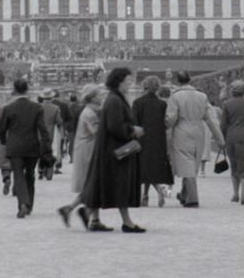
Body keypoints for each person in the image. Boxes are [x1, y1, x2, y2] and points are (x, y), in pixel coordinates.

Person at [82, 67, 145, 232]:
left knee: (105, 183)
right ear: (119, 81)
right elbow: (115, 126)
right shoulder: (115, 100)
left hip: (112, 149)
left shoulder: (114, 98)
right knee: (121, 185)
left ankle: (93, 217)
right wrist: (133, 130)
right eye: (128, 81)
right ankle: (127, 222)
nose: (130, 84)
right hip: (117, 151)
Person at [0, 78, 50, 218]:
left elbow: (1, 129)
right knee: (30, 175)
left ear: (14, 90)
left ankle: (22, 204)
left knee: (18, 175)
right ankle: (29, 204)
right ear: (27, 89)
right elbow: (43, 130)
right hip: (32, 146)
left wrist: (3, 140)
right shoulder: (37, 107)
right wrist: (47, 146)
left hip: (15, 147)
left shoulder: (8, 108)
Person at [167, 70, 221, 208]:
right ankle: (184, 195)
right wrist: (219, 138)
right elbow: (211, 119)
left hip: (181, 130)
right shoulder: (202, 96)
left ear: (178, 81)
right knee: (193, 163)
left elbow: (171, 119)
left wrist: (165, 127)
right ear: (190, 80)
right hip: (198, 129)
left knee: (186, 163)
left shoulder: (175, 96)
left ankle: (193, 198)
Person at [58, 85, 104, 227]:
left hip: (87, 149)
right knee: (92, 184)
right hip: (88, 151)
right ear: (92, 97)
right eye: (99, 95)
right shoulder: (90, 113)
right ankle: (73, 209)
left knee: (93, 184)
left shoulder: (90, 111)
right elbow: (95, 131)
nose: (102, 97)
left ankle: (93, 218)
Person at [134, 75, 172, 206]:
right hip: (158, 140)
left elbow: (135, 123)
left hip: (142, 139)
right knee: (152, 169)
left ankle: (148, 195)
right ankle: (145, 196)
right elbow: (165, 123)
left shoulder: (138, 103)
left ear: (144, 86)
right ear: (157, 88)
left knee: (143, 170)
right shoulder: (162, 104)